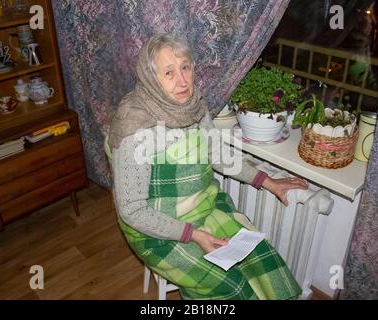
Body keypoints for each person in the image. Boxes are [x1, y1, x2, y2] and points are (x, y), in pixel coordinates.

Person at [108, 33, 308, 300]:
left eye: (185, 68)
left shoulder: (194, 108)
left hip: (205, 209)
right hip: (156, 230)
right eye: (169, 73)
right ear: (150, 78)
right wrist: (193, 234)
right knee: (230, 287)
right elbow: (132, 210)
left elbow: (218, 153)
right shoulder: (135, 127)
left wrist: (267, 180)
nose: (182, 81)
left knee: (265, 262)